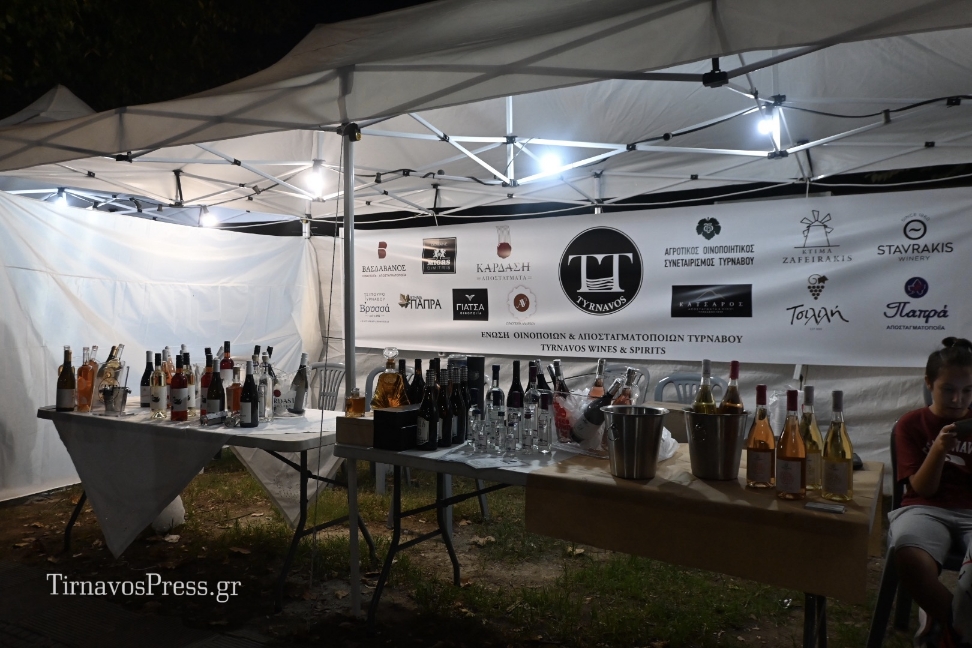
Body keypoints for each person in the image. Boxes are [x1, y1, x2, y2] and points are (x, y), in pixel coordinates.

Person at [890, 337, 972, 647]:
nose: (958, 399)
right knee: (908, 553)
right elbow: (923, 488)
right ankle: (960, 629)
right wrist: (938, 449)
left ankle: (944, 627)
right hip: (923, 507)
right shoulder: (911, 424)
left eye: (968, 391)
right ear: (929, 383)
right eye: (948, 389)